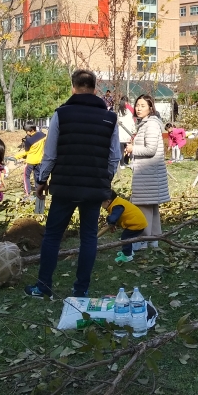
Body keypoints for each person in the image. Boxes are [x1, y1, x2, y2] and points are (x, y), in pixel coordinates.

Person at [25, 70, 120, 299]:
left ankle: (44, 286)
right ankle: (81, 290)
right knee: (88, 237)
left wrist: (41, 180)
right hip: (94, 188)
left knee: (53, 236)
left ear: (73, 87)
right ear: (95, 88)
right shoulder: (110, 118)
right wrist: (104, 179)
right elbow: (114, 156)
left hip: (65, 187)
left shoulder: (61, 114)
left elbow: (50, 154)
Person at [126, 94, 169, 250]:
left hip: (148, 174)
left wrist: (133, 149)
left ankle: (142, 241)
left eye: (143, 105)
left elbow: (150, 149)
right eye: (137, 105)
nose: (138, 108)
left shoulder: (150, 125)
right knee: (152, 208)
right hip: (150, 173)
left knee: (143, 207)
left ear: (151, 108)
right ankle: (154, 239)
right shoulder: (148, 123)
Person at [102, 189, 148, 264]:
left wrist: (109, 219)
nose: (100, 205)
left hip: (136, 224)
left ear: (108, 201)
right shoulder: (117, 202)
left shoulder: (117, 206)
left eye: (101, 202)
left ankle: (127, 256)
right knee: (127, 237)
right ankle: (128, 251)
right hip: (136, 222)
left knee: (125, 238)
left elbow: (113, 218)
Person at [16, 122, 46, 197]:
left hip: (30, 162)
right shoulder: (42, 135)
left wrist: (16, 156)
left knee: (26, 177)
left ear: (31, 130)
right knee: (37, 176)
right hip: (39, 160)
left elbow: (26, 152)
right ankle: (38, 191)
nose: (26, 133)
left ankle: (27, 193)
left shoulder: (29, 141)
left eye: (27, 131)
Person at [116, 99, 136, 169]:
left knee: (121, 150)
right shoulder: (129, 113)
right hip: (128, 133)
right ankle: (132, 162)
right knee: (129, 149)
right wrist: (133, 131)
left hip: (120, 135)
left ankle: (122, 164)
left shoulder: (118, 113)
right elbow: (132, 122)